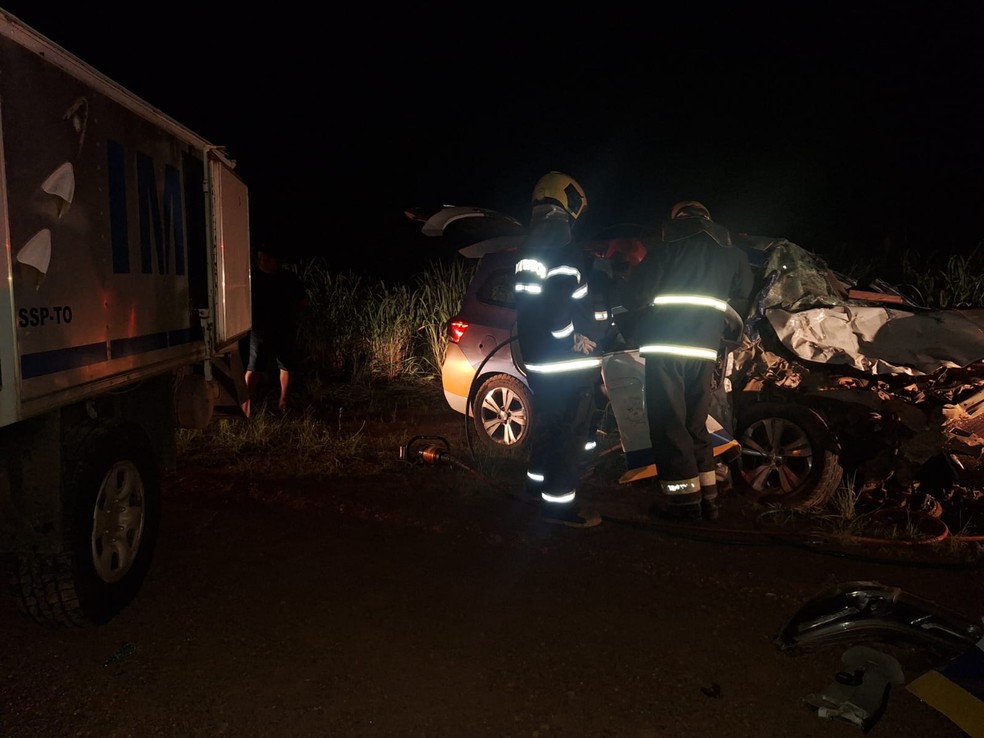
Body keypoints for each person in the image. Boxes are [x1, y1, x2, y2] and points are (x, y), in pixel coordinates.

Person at [624, 200, 754, 521]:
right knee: (696, 424)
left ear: (678, 219)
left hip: (667, 346)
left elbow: (634, 296)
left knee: (669, 424)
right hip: (705, 350)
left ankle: (683, 505)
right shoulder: (731, 252)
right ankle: (709, 500)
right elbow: (745, 289)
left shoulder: (668, 248)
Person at [513, 171, 604, 528]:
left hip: (538, 359)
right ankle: (559, 507)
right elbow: (556, 304)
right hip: (565, 363)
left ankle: (535, 487)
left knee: (549, 427)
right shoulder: (561, 242)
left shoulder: (532, 243)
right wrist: (571, 338)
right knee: (569, 435)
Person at [242, 245, 309, 417]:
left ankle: (283, 403)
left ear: (274, 261)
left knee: (286, 365)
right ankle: (246, 406)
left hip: (284, 328)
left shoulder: (288, 278)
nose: (261, 261)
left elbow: (302, 301)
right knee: (254, 367)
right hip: (259, 330)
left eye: (264, 258)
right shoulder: (253, 278)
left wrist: (295, 317)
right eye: (259, 258)